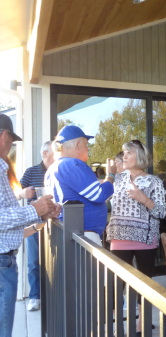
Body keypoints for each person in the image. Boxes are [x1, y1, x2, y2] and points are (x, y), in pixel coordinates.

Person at [0, 114, 61, 337]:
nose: (11, 146)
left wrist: (40, 217)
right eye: (11, 140)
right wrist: (34, 209)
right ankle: (35, 296)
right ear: (4, 135)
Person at [106, 139, 166, 334]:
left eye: (129, 153)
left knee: (144, 284)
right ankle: (119, 328)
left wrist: (144, 199)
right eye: (124, 153)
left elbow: (162, 212)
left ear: (139, 157)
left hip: (145, 239)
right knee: (117, 285)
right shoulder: (117, 179)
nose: (124, 156)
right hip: (118, 236)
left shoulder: (154, 181)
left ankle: (142, 325)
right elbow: (104, 200)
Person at [45, 125, 116, 245]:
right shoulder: (72, 164)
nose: (88, 148)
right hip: (82, 236)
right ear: (78, 145)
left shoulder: (53, 168)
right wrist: (111, 175)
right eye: (86, 145)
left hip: (68, 232)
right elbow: (99, 194)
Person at [19, 140, 54, 311]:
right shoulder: (30, 172)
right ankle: (35, 296)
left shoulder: (59, 171)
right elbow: (16, 192)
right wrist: (24, 193)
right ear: (45, 153)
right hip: (34, 223)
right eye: (54, 151)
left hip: (55, 223)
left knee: (54, 262)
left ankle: (53, 296)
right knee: (34, 261)